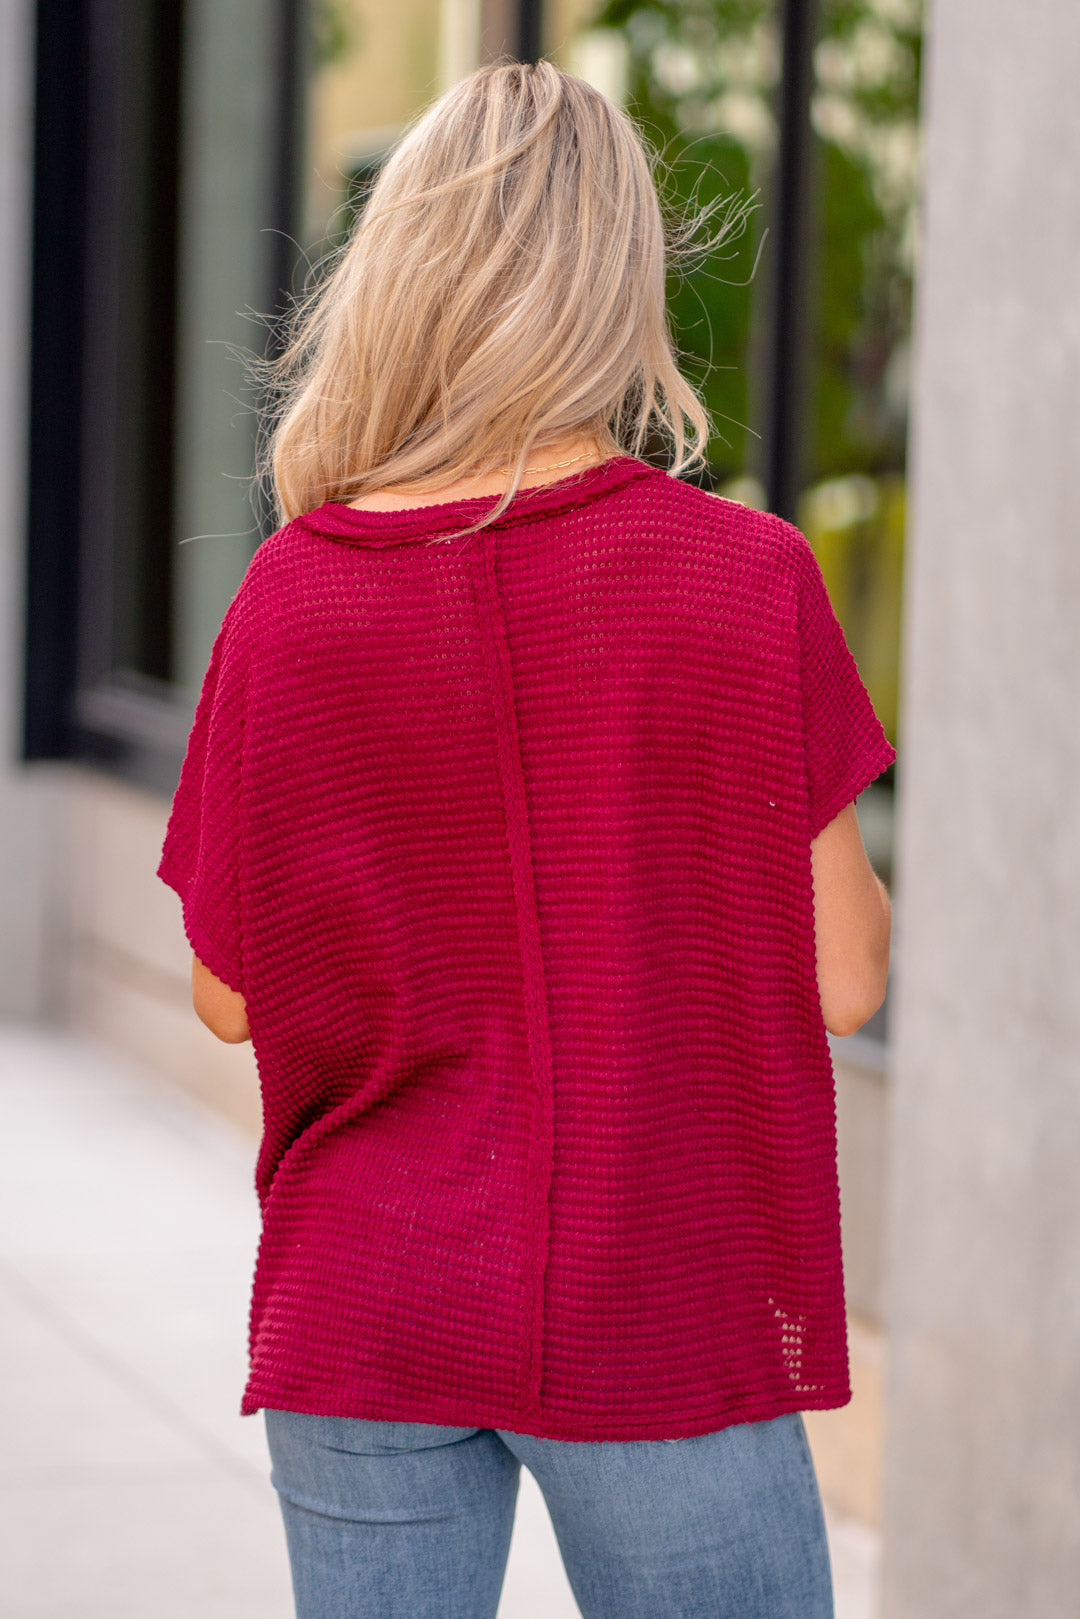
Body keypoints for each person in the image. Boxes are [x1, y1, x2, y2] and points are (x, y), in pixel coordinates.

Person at [158, 57, 894, 1619]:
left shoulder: (291, 597)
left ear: (401, 271)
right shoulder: (747, 580)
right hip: (660, 1305)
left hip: (364, 1294)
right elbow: (846, 977)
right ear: (620, 283)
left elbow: (228, 996)